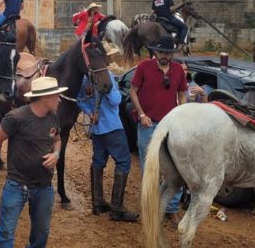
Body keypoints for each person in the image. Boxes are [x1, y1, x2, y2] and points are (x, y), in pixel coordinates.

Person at [0, 76, 62, 248]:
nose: (59, 99)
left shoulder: (54, 117)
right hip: (16, 185)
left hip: (44, 186)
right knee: (6, 233)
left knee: (41, 233)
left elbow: (57, 139)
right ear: (44, 97)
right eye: (56, 95)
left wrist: (56, 154)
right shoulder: (16, 117)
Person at [128, 35, 187, 225]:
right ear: (154, 51)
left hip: (171, 126)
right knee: (150, 170)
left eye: (168, 53)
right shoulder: (144, 67)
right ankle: (151, 207)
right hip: (148, 124)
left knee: (175, 168)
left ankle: (171, 209)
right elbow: (133, 92)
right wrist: (141, 114)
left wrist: (181, 115)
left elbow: (182, 94)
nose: (165, 56)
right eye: (162, 52)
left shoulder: (178, 70)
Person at [78, 73, 138, 222]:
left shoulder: (84, 79)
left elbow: (79, 99)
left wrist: (90, 112)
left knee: (98, 162)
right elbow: (116, 100)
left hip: (96, 128)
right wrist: (112, 88)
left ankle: (97, 203)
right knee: (124, 162)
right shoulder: (107, 76)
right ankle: (117, 209)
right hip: (112, 127)